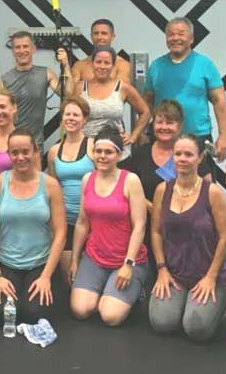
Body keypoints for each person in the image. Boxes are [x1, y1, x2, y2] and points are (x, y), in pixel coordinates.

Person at [148, 135, 226, 341]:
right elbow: (156, 231)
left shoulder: (213, 193)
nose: (182, 159)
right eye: (178, 154)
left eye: (188, 154)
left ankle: (218, 307)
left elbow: (225, 237)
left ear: (200, 158)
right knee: (162, 323)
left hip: (209, 274)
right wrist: (161, 269)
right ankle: (185, 303)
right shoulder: (162, 190)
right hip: (174, 274)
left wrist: (211, 277)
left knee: (197, 329)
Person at [0, 128, 67, 325]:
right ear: (9, 154)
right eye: (15, 152)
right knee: (3, 313)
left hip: (40, 263)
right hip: (5, 263)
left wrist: (46, 276)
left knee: (34, 314)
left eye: (25, 151)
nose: (20, 157)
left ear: (36, 151)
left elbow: (61, 233)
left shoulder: (50, 185)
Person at [69, 125, 149, 326]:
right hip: (95, 257)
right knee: (80, 309)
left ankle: (134, 288)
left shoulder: (130, 180)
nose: (102, 156)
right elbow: (82, 222)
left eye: (108, 152)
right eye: (98, 151)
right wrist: (74, 260)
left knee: (110, 316)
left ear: (119, 155)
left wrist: (128, 264)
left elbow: (139, 226)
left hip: (127, 260)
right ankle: (106, 289)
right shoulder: (87, 179)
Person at [143, 18, 226, 162]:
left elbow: (219, 101)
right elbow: (147, 102)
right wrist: (142, 132)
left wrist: (224, 135)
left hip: (197, 137)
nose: (175, 38)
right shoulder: (156, 66)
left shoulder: (205, 64)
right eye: (171, 34)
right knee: (162, 177)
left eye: (181, 34)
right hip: (163, 138)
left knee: (201, 177)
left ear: (191, 38)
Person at [119, 99, 208, 207]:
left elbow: (207, 192)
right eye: (159, 122)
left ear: (180, 126)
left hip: (186, 215)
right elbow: (129, 189)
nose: (164, 127)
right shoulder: (141, 154)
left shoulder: (190, 153)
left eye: (170, 123)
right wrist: (153, 209)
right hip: (147, 214)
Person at [46, 97, 95, 281]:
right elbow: (53, 187)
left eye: (76, 115)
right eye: (67, 114)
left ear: (85, 119)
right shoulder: (54, 151)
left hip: (92, 220)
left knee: (88, 275)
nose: (71, 118)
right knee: (69, 276)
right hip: (65, 220)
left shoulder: (93, 146)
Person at [0, 30, 74, 150]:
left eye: (25, 46)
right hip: (10, 143)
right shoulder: (5, 80)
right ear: (13, 51)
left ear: (33, 49)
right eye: (17, 47)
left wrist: (66, 65)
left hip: (35, 144)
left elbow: (68, 94)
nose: (22, 50)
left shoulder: (46, 73)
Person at [80, 44, 150, 144]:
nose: (102, 66)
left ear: (113, 66)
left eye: (107, 63)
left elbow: (145, 112)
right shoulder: (80, 88)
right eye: (98, 62)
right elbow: (69, 114)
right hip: (86, 147)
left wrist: (133, 136)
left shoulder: (123, 88)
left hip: (114, 148)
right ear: (92, 64)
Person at [73, 19, 132, 83]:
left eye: (104, 33)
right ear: (91, 36)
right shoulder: (79, 65)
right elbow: (71, 88)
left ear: (112, 37)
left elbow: (120, 88)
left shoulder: (123, 65)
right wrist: (66, 66)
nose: (99, 37)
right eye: (96, 33)